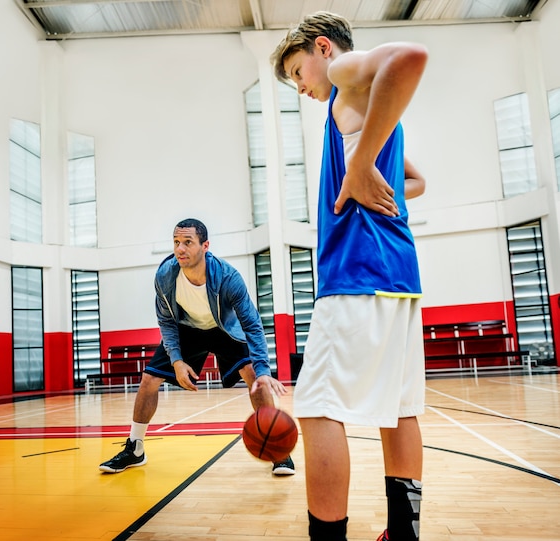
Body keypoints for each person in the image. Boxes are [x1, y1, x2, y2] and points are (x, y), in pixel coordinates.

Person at [271, 11, 428, 541]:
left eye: (297, 71)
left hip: (358, 273)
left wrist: (359, 162)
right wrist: (367, 166)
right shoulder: (373, 111)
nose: (300, 86)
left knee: (316, 408)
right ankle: (403, 536)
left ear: (322, 49)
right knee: (398, 410)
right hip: (400, 275)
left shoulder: (344, 79)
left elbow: (409, 58)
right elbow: (418, 181)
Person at [99, 218, 295, 476]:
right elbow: (166, 321)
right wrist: (177, 360)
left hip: (223, 328)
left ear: (205, 246)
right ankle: (135, 449)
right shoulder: (165, 276)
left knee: (252, 375)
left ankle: (277, 449)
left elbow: (252, 324)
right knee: (149, 380)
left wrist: (263, 370)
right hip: (187, 329)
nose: (180, 248)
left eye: (188, 242)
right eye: (177, 242)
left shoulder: (227, 277)